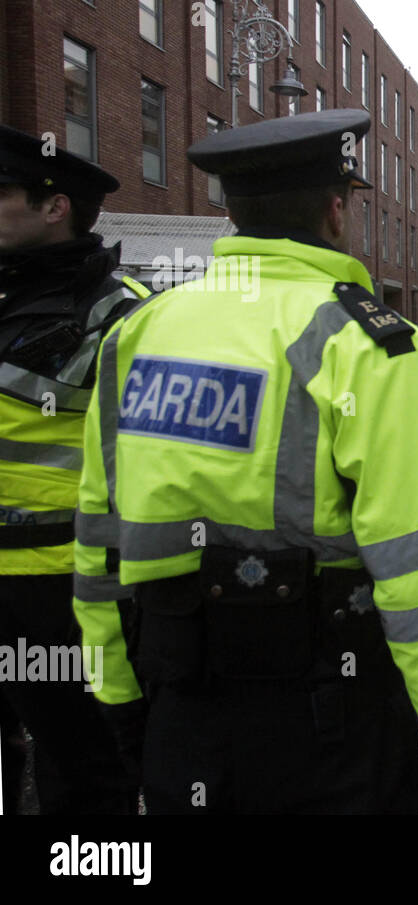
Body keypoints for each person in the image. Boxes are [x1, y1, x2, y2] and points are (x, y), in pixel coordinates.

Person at [73, 110, 418, 814]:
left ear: (233, 213)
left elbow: (97, 543)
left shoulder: (138, 333)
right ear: (336, 211)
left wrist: (117, 699)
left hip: (179, 711)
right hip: (330, 728)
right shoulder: (370, 346)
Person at [0, 123, 147, 814]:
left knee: (84, 770)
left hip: (56, 589)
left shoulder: (119, 315)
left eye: (2, 194)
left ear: (53, 206)